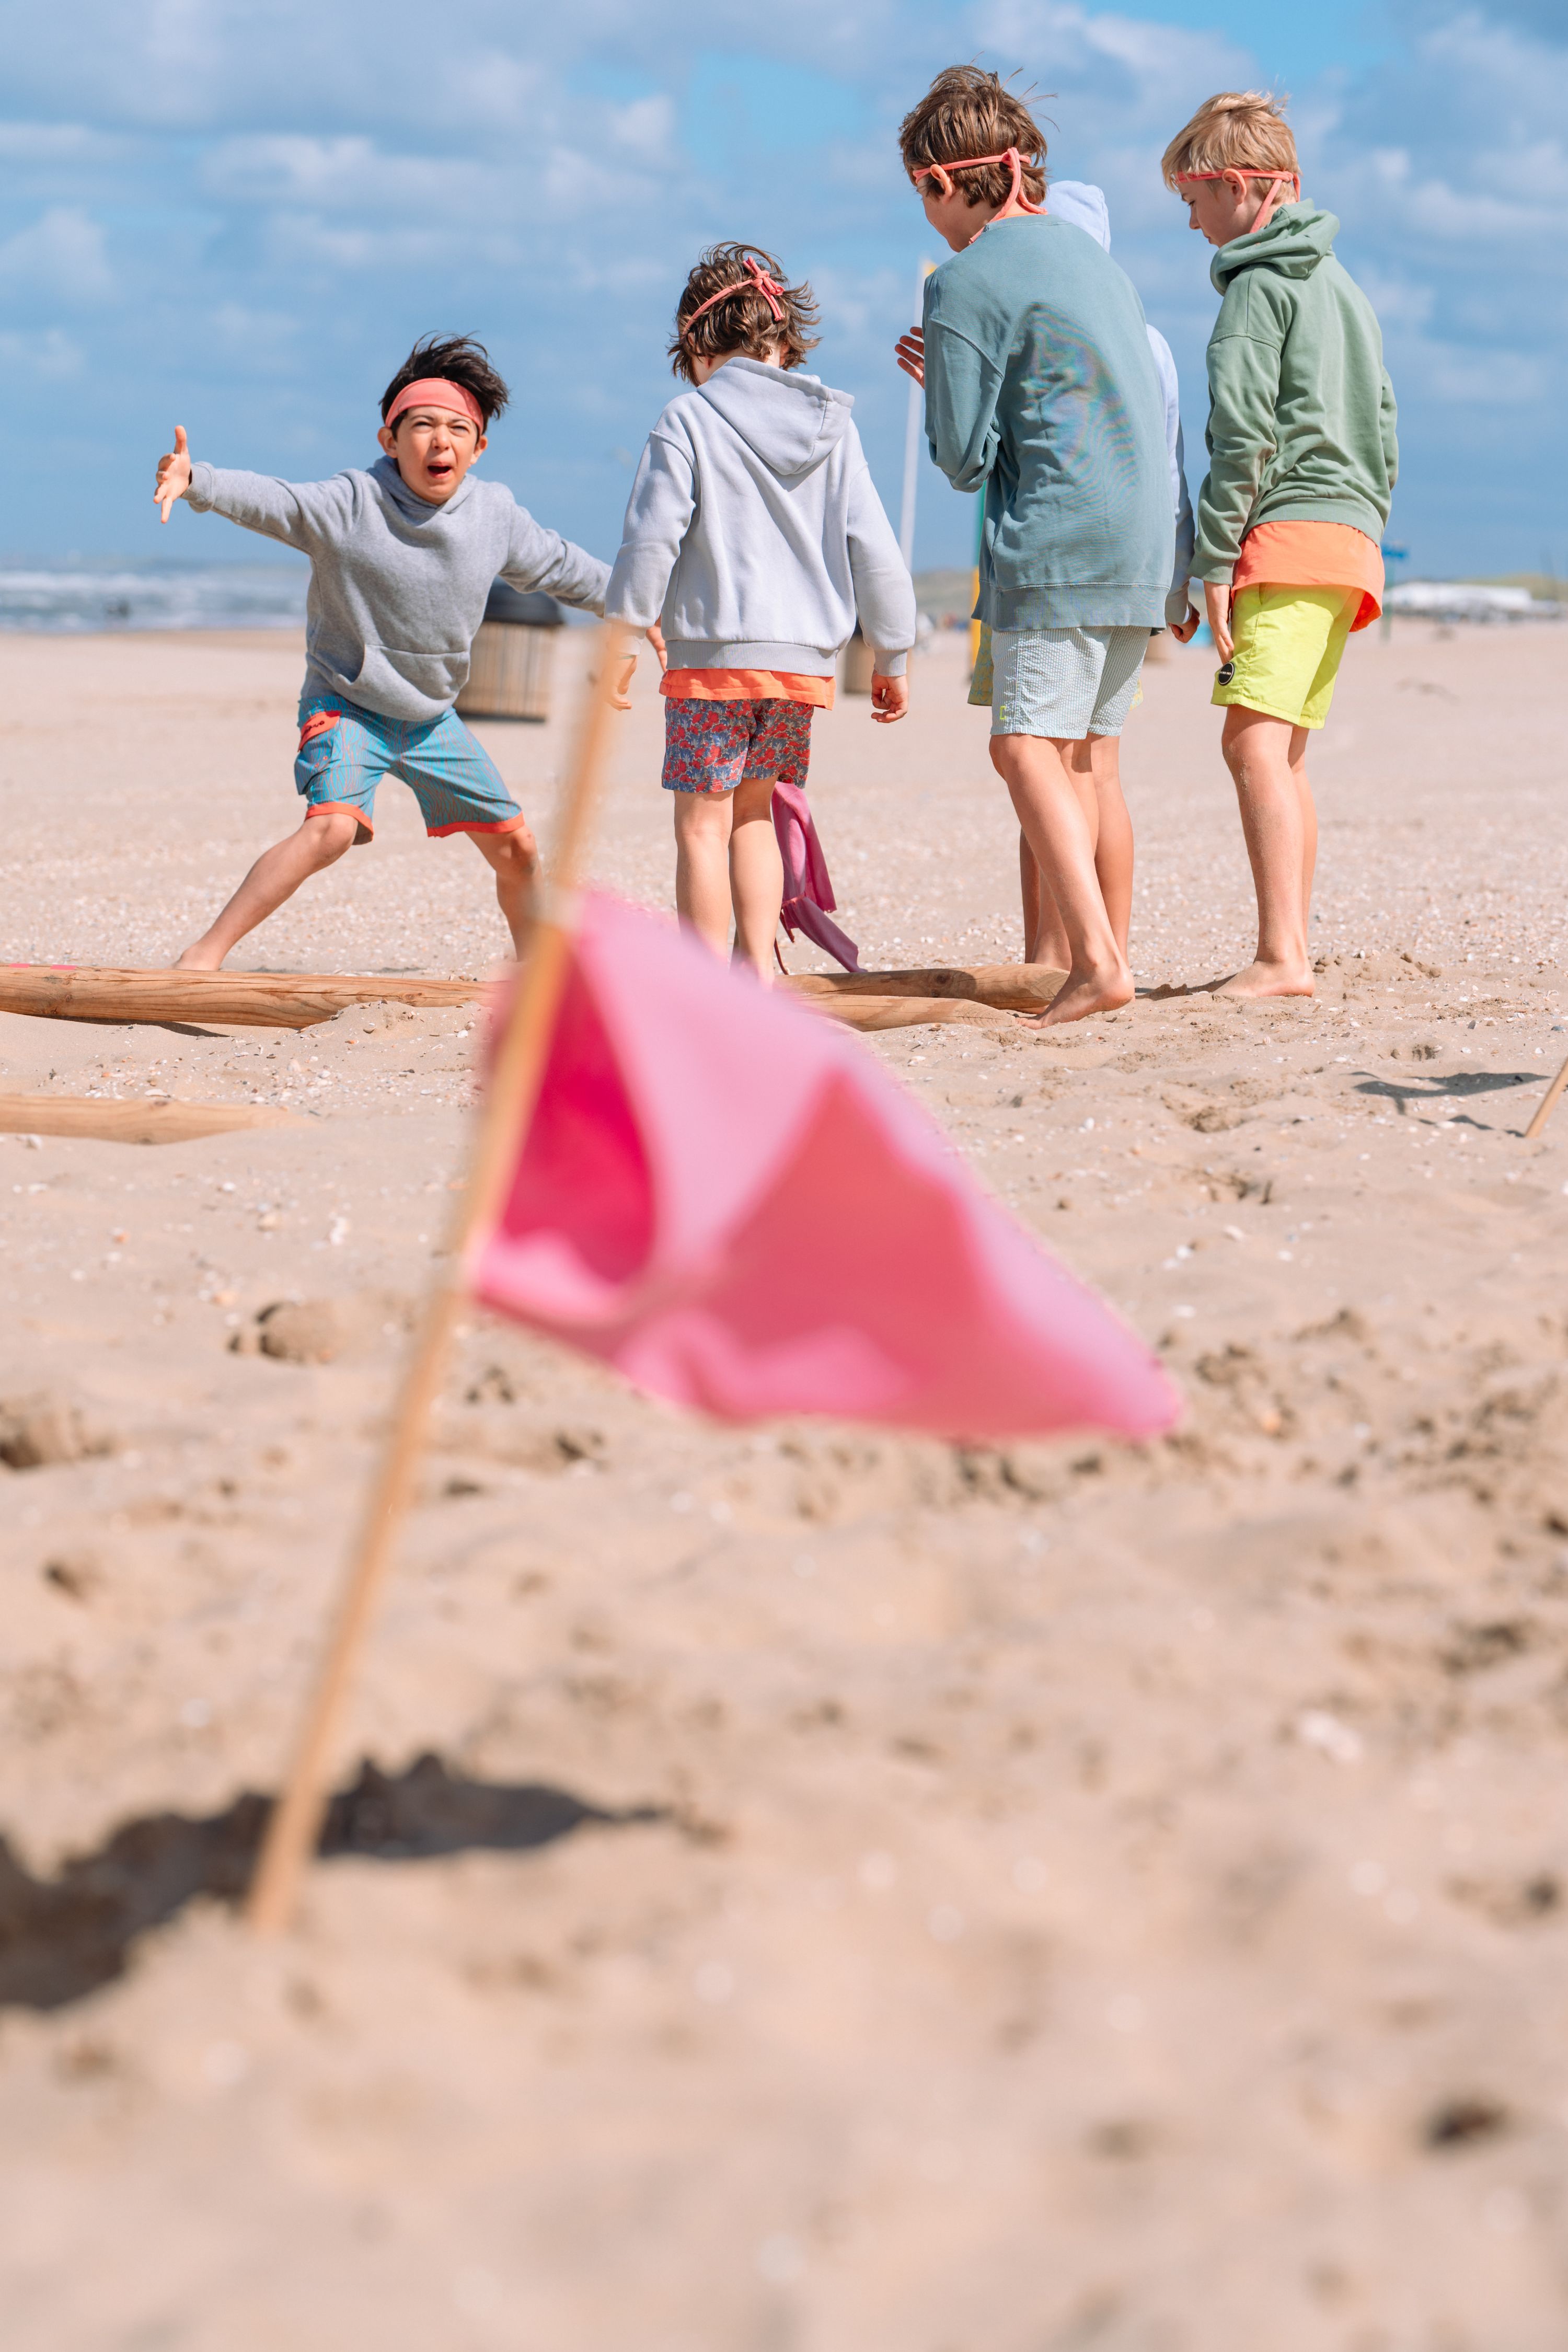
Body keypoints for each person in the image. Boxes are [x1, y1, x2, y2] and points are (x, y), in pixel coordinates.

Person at [151, 335, 613, 970]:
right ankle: (203, 956)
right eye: (422, 426)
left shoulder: (495, 516)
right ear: (390, 440)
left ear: (478, 448)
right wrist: (196, 480)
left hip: (431, 719)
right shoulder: (352, 504)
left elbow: (562, 567)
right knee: (332, 829)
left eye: (458, 429)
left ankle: (535, 979)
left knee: (518, 850)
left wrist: (640, 604)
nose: (440, 441)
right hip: (347, 704)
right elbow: (277, 501)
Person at [893, 66, 1177, 1025]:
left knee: (1020, 748)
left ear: (943, 181)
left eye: (922, 194)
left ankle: (1095, 963)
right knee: (1084, 758)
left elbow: (962, 459)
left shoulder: (961, 279)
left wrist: (944, 383)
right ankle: (1096, 960)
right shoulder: (1096, 261)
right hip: (1140, 544)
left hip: (1060, 538)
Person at [605, 243, 915, 982]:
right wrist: (893, 651)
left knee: (701, 826)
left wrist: (622, 634)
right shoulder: (833, 426)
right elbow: (874, 545)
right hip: (797, 668)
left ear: (697, 349)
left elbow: (652, 538)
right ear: (782, 344)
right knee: (754, 814)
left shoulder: (688, 418)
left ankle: (707, 987)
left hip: (713, 663)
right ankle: (759, 975)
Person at [1163, 90, 1398, 999]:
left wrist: (1214, 560)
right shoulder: (1344, 287)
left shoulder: (1257, 289)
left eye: (1193, 201)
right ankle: (1288, 947)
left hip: (1289, 531)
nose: (1192, 224)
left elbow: (1243, 437)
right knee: (1285, 749)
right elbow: (1383, 420)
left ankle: (1280, 957)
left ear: (1237, 187)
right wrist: (1367, 519)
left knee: (1251, 744)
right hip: (1350, 537)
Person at [1002, 178, 1198, 973]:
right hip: (1137, 568)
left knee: (1042, 764)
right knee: (1098, 768)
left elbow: (1013, 450)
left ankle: (1060, 958)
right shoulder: (1148, 339)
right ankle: (1107, 948)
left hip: (1062, 567)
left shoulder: (1048, 332)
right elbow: (1168, 465)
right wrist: (1178, 578)